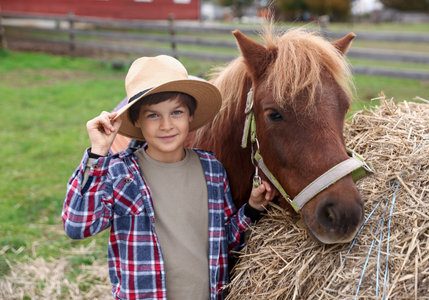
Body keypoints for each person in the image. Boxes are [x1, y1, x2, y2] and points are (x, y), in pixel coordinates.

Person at [62, 55, 275, 300]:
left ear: (190, 116)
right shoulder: (121, 174)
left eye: (176, 112)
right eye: (153, 115)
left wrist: (251, 208)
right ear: (137, 121)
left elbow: (223, 239)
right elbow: (77, 225)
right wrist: (98, 153)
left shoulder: (212, 170)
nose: (166, 125)